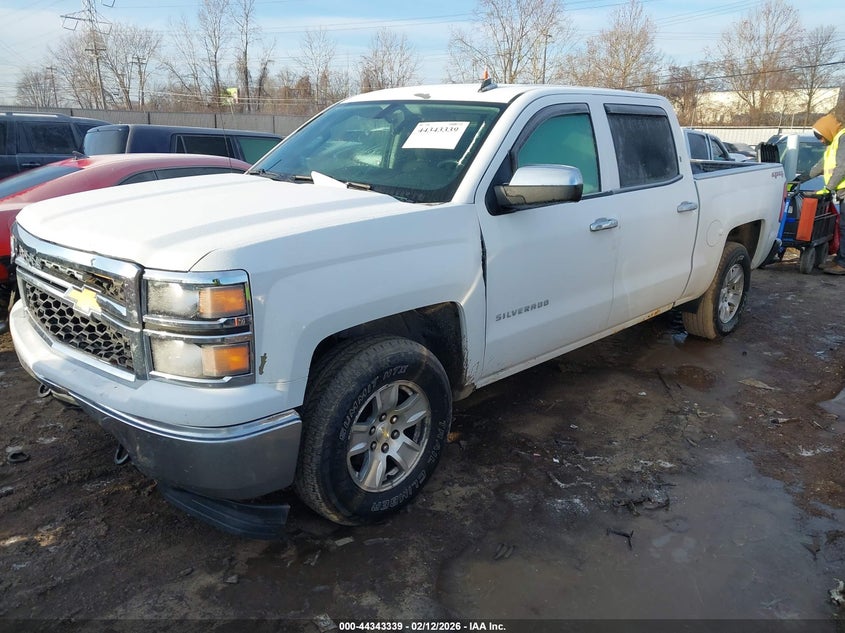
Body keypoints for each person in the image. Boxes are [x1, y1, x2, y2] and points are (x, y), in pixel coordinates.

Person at [808, 113, 845, 274]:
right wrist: (800, 178)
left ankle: (842, 264)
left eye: (821, 137)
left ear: (827, 131)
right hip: (842, 191)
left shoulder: (843, 139)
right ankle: (839, 260)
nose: (821, 141)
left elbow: (842, 167)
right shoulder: (835, 141)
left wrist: (828, 188)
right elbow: (822, 165)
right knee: (842, 226)